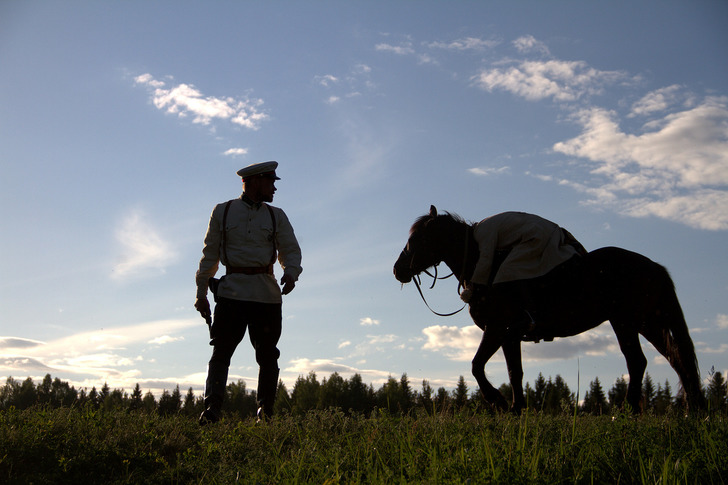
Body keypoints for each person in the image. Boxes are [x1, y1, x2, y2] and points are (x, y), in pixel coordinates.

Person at [195, 161, 302, 424]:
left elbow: (291, 251)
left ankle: (265, 415)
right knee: (221, 353)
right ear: (255, 182)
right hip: (231, 295)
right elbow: (209, 256)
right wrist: (201, 293)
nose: (274, 188)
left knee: (268, 356)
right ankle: (212, 412)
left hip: (266, 297)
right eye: (270, 182)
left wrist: (291, 272)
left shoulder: (277, 215)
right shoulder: (223, 211)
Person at [461, 212, 586, 339]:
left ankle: (529, 317)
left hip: (536, 235)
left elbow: (486, 259)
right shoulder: (486, 224)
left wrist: (472, 287)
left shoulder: (481, 233)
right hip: (544, 230)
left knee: (507, 271)